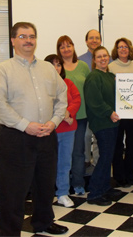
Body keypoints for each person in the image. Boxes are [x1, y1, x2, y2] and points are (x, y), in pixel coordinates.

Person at [0, 22, 69, 235]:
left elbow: (62, 97)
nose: (28, 40)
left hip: (46, 135)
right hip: (15, 138)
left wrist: (54, 121)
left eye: (32, 36)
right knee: (12, 190)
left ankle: (43, 222)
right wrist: (25, 125)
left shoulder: (48, 69)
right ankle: (10, 232)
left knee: (45, 185)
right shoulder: (2, 70)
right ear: (13, 40)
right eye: (23, 36)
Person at [84, 46, 122, 206]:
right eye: (99, 57)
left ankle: (105, 187)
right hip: (102, 123)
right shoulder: (94, 77)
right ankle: (95, 193)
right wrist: (110, 113)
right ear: (94, 60)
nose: (102, 59)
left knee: (108, 156)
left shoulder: (111, 76)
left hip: (112, 122)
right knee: (105, 157)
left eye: (105, 56)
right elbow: (95, 102)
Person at [45, 54, 81, 208]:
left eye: (59, 64)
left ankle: (62, 193)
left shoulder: (68, 83)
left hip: (68, 130)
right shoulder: (43, 85)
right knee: (47, 164)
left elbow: (76, 100)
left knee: (65, 163)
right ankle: (45, 195)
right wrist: (63, 115)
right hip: (49, 131)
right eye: (52, 64)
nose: (56, 68)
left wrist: (67, 114)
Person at [57, 35, 90, 195]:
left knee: (78, 151)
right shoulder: (56, 68)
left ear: (73, 47)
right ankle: (61, 184)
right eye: (62, 47)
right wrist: (65, 114)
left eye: (68, 45)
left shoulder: (83, 65)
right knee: (62, 153)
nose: (66, 49)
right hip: (62, 119)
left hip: (81, 116)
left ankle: (78, 183)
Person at [109, 37, 133, 187]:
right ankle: (119, 176)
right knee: (117, 145)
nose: (123, 49)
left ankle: (131, 175)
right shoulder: (110, 67)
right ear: (116, 50)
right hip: (118, 113)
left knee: (132, 145)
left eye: (125, 47)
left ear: (130, 49)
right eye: (120, 47)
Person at [78, 29, 102, 169]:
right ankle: (86, 160)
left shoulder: (107, 59)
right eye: (91, 38)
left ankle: (98, 163)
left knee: (99, 137)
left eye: (97, 38)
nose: (94, 40)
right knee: (86, 136)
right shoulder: (80, 61)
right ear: (86, 41)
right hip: (86, 106)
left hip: (102, 106)